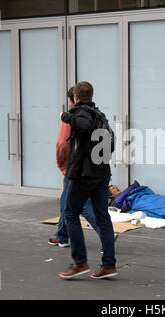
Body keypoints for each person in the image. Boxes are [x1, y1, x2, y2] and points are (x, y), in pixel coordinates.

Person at [59, 81, 117, 280]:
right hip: (101, 174)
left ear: (75, 97)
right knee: (103, 218)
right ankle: (108, 265)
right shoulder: (100, 115)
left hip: (84, 175)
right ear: (91, 96)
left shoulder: (80, 113)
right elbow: (112, 143)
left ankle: (79, 262)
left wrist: (66, 116)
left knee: (70, 213)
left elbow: (82, 125)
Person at [49, 86, 103, 247]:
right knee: (66, 202)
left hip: (74, 168)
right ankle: (62, 236)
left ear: (75, 98)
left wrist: (61, 164)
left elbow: (61, 146)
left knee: (81, 204)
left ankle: (106, 232)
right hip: (92, 166)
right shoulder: (96, 115)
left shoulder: (71, 117)